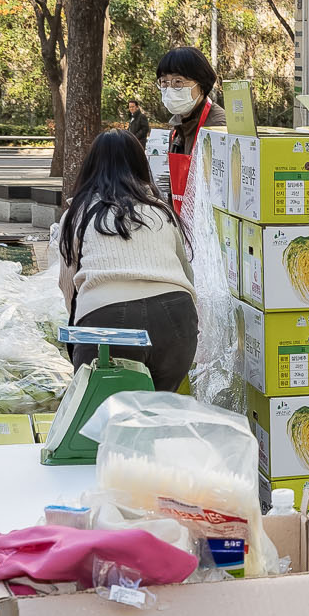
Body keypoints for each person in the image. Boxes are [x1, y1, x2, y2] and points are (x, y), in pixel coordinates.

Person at [55, 127, 197, 391]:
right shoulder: (161, 210)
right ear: (141, 165)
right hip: (177, 318)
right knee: (157, 413)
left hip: (108, 322)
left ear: (91, 166)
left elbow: (68, 288)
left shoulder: (78, 214)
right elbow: (187, 275)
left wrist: (82, 330)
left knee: (104, 420)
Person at [155, 46, 222, 218]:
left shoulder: (218, 126)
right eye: (164, 82)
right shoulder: (177, 128)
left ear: (200, 84)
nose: (169, 89)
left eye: (178, 82)